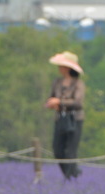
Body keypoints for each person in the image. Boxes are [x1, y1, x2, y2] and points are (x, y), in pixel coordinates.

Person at [45, 51, 85, 181]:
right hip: (60, 119)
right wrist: (52, 104)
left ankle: (71, 178)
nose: (59, 68)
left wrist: (60, 102)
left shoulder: (78, 84)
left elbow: (78, 102)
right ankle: (71, 176)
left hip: (74, 120)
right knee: (58, 149)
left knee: (70, 151)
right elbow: (51, 97)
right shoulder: (57, 82)